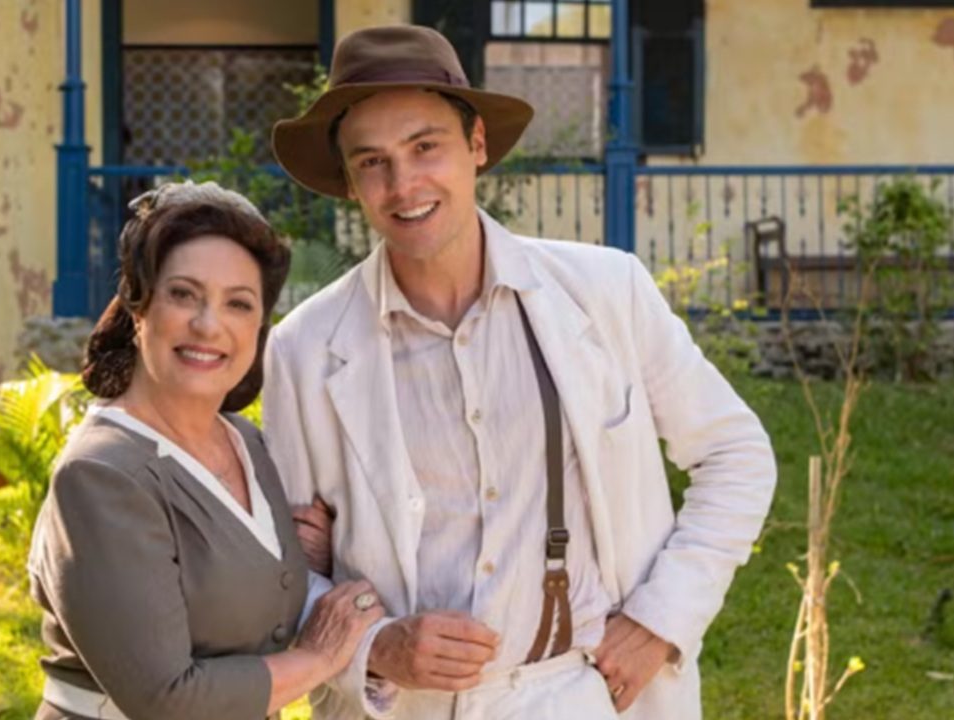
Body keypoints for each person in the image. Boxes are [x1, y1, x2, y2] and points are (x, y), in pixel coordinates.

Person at [263, 25, 777, 720]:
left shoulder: (605, 292)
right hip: (407, 708)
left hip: (585, 694)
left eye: (425, 148)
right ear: (351, 184)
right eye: (373, 162)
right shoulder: (303, 349)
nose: (404, 184)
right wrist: (377, 648)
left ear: (476, 146)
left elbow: (736, 455)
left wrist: (661, 618)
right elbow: (289, 574)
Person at [27, 181, 384, 720]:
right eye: (184, 294)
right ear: (138, 306)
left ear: (259, 326)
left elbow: (242, 579)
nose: (208, 325)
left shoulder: (247, 442)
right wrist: (320, 656)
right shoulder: (101, 473)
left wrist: (317, 554)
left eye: (238, 304)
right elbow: (168, 699)